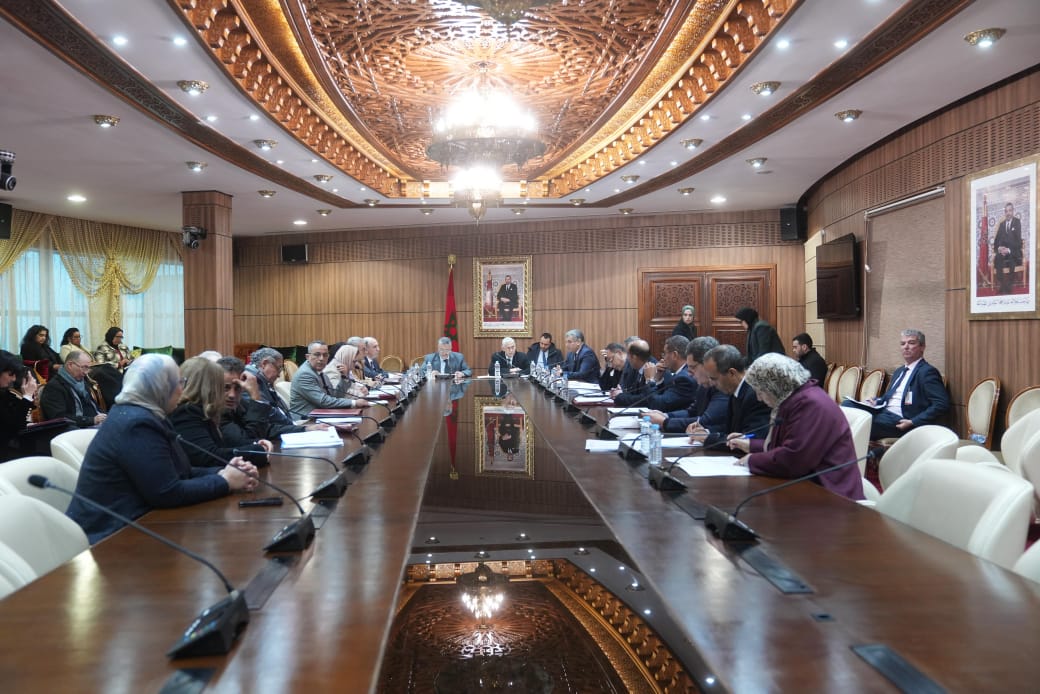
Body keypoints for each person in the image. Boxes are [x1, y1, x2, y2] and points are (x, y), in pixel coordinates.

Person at [65, 354, 258, 544]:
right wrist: (225, 481)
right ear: (161, 388)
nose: (182, 390)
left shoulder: (144, 414)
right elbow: (167, 492)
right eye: (180, 383)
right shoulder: (136, 424)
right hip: (110, 538)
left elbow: (181, 472)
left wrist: (226, 471)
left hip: (138, 526)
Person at [727, 353, 864, 501]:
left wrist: (752, 460)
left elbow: (794, 459)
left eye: (760, 391)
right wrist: (750, 445)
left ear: (774, 386)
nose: (759, 398)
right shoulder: (794, 399)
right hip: (810, 487)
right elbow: (787, 446)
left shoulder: (810, 404)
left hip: (832, 496)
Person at [847, 329, 949, 440]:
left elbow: (941, 404)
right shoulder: (899, 371)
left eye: (911, 343)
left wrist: (914, 421)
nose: (906, 347)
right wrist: (876, 401)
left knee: (858, 421)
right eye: (903, 343)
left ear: (922, 347)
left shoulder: (927, 372)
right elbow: (889, 397)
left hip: (901, 421)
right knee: (847, 405)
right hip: (883, 412)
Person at [169, 357, 270, 468]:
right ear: (205, 386)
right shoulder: (187, 412)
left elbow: (224, 446)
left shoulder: (204, 410)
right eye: (222, 387)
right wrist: (257, 451)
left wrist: (255, 444)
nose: (231, 394)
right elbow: (209, 457)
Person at [217, 356, 322, 442]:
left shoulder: (241, 404)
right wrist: (255, 396)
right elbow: (249, 440)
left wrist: (305, 429)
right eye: (226, 388)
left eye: (238, 388)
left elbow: (266, 429)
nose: (232, 395)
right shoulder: (216, 412)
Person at [689, 344, 770, 446]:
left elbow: (751, 438)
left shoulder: (755, 395)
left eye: (714, 378)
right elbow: (731, 430)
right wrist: (707, 432)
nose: (712, 384)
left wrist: (709, 439)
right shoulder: (735, 390)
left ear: (732, 373)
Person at [648, 336, 729, 434]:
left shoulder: (723, 387)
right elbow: (691, 411)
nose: (689, 373)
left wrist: (664, 422)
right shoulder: (703, 385)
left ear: (707, 365)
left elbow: (706, 421)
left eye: (693, 367)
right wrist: (666, 415)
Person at [290, 340, 372, 417]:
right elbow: (323, 401)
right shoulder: (305, 374)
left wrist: (344, 378)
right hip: (305, 420)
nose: (321, 358)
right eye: (317, 354)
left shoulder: (319, 371)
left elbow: (335, 396)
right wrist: (354, 403)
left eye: (325, 355)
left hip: (322, 415)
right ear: (307, 357)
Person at [39, 349, 106, 427]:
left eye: (88, 368)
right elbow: (59, 418)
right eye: (84, 367)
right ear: (70, 365)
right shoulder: (54, 387)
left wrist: (106, 416)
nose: (86, 372)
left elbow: (94, 407)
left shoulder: (81, 381)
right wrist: (92, 420)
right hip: (76, 429)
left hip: (95, 424)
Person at [0, 351, 39, 459]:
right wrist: (27, 397)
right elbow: (12, 426)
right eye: (10, 374)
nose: (13, 379)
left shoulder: (5, 392)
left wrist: (28, 397)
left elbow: (19, 416)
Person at [993, 202, 1023, 294]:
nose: (1008, 213)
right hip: (1003, 252)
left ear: (1013, 211)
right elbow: (996, 242)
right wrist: (999, 248)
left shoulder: (1017, 222)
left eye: (1010, 210)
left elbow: (1018, 242)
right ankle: (1003, 285)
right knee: (998, 257)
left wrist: (1008, 250)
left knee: (1011, 258)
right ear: (1004, 212)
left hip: (1013, 252)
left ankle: (1008, 287)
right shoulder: (1002, 224)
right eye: (1006, 211)